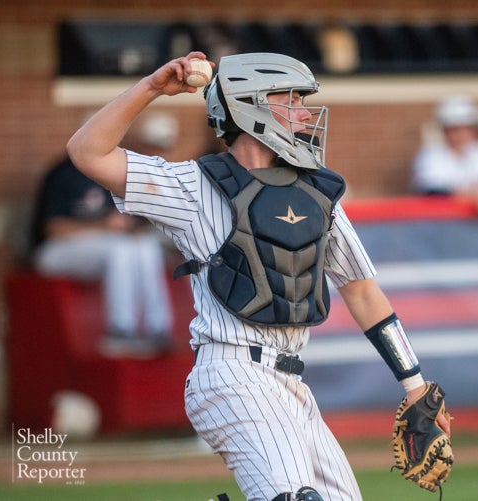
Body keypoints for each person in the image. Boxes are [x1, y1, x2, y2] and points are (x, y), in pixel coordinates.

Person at [66, 51, 451, 501]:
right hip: (230, 375)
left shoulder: (317, 191)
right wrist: (151, 87)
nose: (306, 113)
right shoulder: (193, 186)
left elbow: (363, 292)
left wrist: (416, 385)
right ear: (252, 106)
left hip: (291, 386)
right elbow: (87, 152)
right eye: (292, 100)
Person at [31, 128, 174, 357]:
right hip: (53, 252)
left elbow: (127, 220)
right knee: (119, 249)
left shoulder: (106, 171)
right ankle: (120, 330)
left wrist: (128, 227)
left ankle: (157, 328)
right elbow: (53, 229)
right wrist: (103, 226)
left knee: (146, 247)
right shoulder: (62, 173)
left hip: (99, 246)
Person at [411, 94, 478, 195]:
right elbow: (430, 189)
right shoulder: (430, 155)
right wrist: (470, 193)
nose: (461, 134)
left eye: (467, 128)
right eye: (455, 129)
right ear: (444, 129)